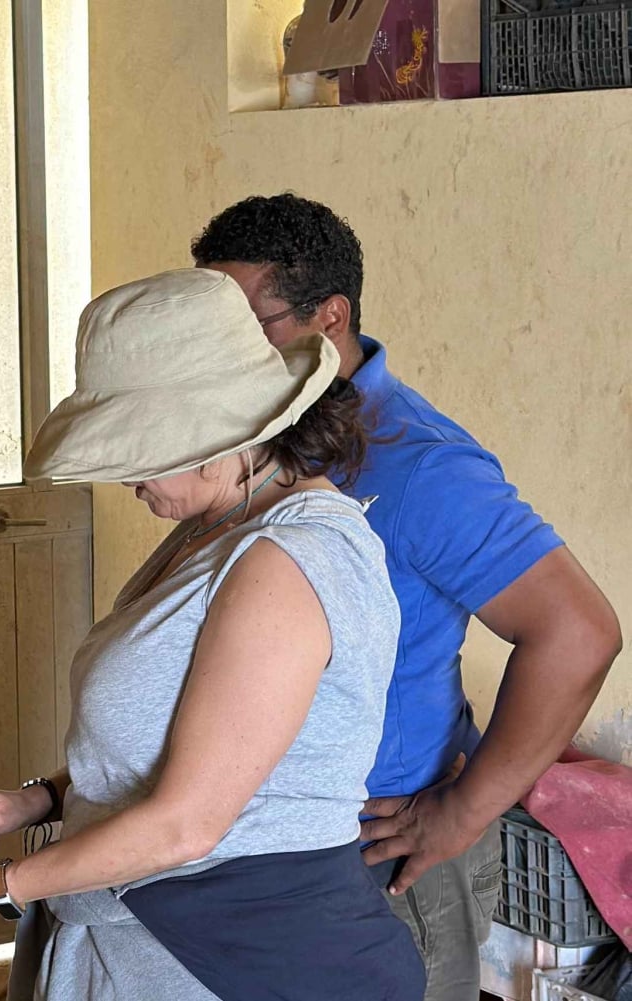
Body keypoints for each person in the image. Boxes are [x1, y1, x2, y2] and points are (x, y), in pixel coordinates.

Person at [0, 268, 424, 1001]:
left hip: (232, 959)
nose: (128, 479)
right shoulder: (217, 528)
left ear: (215, 434)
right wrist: (37, 801)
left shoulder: (289, 561)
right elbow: (172, 741)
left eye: (138, 450)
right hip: (147, 941)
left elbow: (188, 823)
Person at [191, 193, 621, 1001]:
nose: (225, 354)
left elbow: (578, 632)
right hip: (267, 842)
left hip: (381, 862)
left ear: (331, 317)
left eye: (250, 326)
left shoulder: (417, 463)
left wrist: (463, 810)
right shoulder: (261, 431)